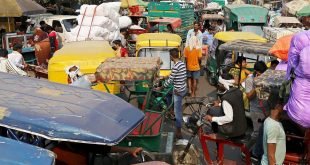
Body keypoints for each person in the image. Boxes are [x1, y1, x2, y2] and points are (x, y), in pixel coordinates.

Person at [204, 73, 247, 138]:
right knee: (215, 111)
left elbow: (229, 118)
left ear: (224, 84)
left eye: (220, 84)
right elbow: (234, 104)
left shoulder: (226, 98)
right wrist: (220, 104)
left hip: (234, 130)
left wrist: (212, 118)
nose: (218, 85)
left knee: (212, 112)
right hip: (242, 126)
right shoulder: (238, 91)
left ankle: (218, 135)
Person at [162, 48, 187, 139]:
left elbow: (170, 81)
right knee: (168, 94)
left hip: (178, 91)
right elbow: (173, 75)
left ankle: (179, 131)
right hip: (183, 87)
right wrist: (165, 76)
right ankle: (170, 110)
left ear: (171, 56)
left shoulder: (176, 66)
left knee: (178, 112)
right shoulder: (181, 63)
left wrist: (162, 86)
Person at [245, 61, 268, 149]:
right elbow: (249, 97)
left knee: (265, 132)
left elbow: (265, 95)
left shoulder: (265, 76)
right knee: (257, 132)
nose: (262, 75)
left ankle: (257, 150)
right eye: (260, 73)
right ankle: (245, 150)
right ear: (256, 72)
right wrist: (256, 86)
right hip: (256, 110)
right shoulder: (250, 79)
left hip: (265, 108)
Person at [261, 99, 286, 164]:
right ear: (277, 106)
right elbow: (271, 155)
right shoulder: (274, 126)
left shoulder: (269, 120)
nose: (284, 108)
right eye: (283, 105)